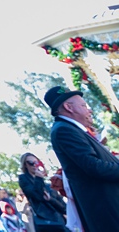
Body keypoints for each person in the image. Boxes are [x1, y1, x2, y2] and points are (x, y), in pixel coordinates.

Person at [46, 85, 119, 232]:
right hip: (105, 208)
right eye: (84, 106)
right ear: (68, 107)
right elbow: (93, 166)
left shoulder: (71, 129)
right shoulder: (63, 130)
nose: (89, 110)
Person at [19, 152, 68, 232]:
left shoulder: (48, 185)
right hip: (44, 222)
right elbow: (37, 196)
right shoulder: (24, 179)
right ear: (25, 165)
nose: (34, 165)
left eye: (36, 162)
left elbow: (63, 208)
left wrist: (50, 199)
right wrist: (38, 178)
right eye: (31, 163)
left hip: (59, 221)